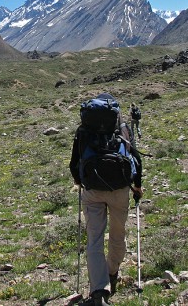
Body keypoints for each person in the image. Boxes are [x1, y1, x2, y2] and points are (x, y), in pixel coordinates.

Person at [69, 93, 143, 306]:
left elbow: (74, 163)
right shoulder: (123, 129)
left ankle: (99, 290)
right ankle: (112, 271)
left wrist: (80, 182)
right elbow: (136, 160)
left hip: (92, 190)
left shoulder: (83, 132)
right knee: (118, 234)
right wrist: (137, 186)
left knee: (94, 239)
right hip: (120, 189)